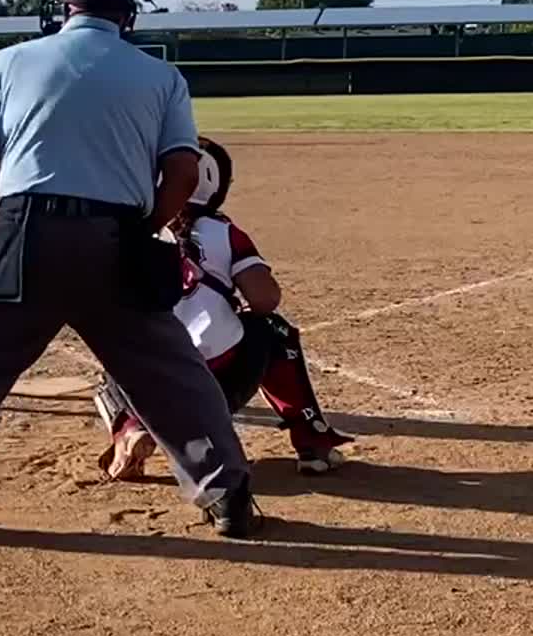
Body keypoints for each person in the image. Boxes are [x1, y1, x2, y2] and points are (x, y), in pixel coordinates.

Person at [0, 0, 259, 541]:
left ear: (64, 11)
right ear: (126, 14)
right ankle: (227, 495)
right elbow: (184, 173)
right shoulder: (160, 76)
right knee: (171, 373)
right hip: (118, 236)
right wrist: (146, 227)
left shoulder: (6, 63)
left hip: (23, 229)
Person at [92, 137, 354, 481]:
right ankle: (312, 443)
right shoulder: (226, 232)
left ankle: (131, 426)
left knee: (118, 337)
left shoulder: (132, 232)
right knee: (272, 329)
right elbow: (265, 300)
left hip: (151, 386)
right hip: (217, 388)